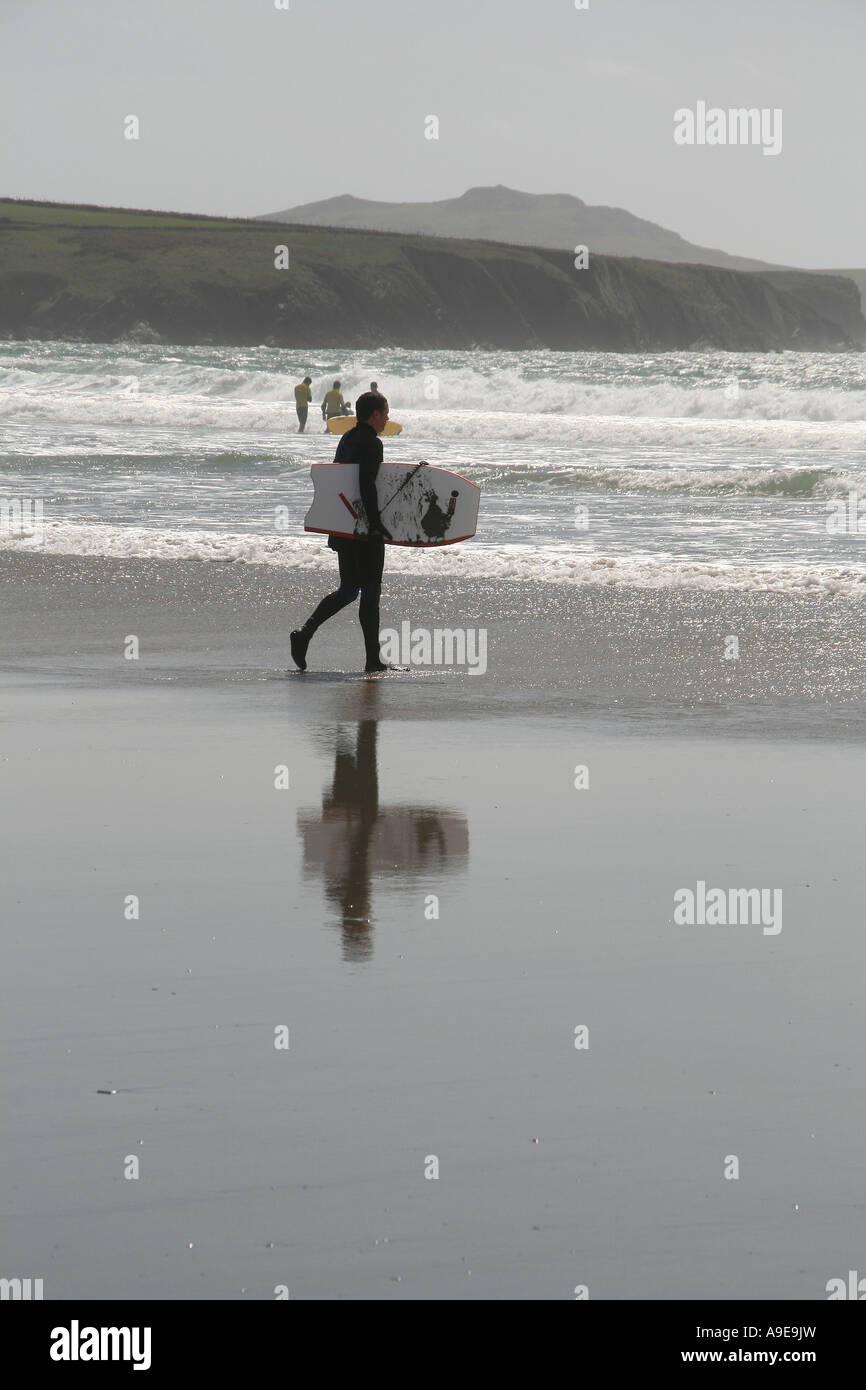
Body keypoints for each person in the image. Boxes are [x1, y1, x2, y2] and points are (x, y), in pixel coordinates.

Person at [291, 392, 395, 674]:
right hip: (362, 529)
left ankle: (304, 634)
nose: (387, 418)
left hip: (343, 526)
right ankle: (373, 660)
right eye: (385, 412)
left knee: (349, 590)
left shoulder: (347, 438)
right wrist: (375, 525)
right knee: (370, 592)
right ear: (374, 414)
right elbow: (366, 485)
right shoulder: (372, 443)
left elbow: (342, 485)